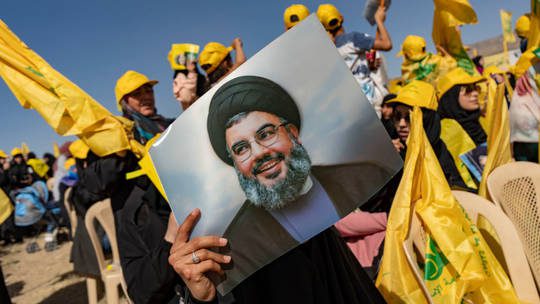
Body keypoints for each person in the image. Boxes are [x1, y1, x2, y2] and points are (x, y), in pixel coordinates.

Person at [168, 75, 388, 303]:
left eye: (265, 134)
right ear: (235, 164)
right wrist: (202, 297)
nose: (259, 153)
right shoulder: (236, 245)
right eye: (241, 148)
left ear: (292, 133)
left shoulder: (364, 176)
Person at [387, 80, 468, 189]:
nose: (401, 124)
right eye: (397, 116)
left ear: (427, 120)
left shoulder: (439, 150)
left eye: (410, 118)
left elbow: (457, 191)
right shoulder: (393, 151)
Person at [316, 3, 391, 114]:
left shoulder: (329, 51)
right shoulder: (354, 39)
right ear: (341, 17)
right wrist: (379, 21)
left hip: (351, 108)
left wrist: (369, 66)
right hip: (371, 104)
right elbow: (386, 44)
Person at [437, 67, 487, 188]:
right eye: (468, 89)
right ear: (451, 96)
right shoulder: (445, 131)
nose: (475, 93)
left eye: (475, 87)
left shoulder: (480, 120)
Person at [115, 70, 174, 145]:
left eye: (149, 91)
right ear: (125, 102)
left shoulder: (168, 124)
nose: (147, 97)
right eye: (137, 94)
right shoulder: (125, 132)